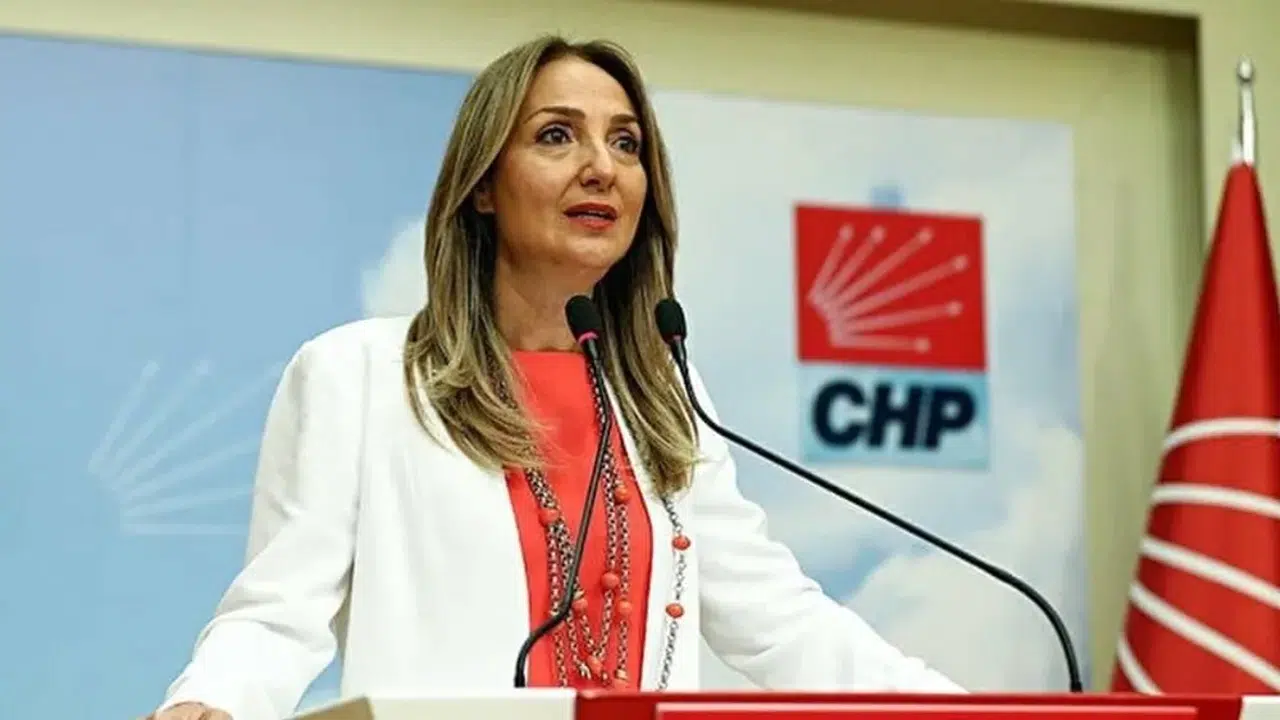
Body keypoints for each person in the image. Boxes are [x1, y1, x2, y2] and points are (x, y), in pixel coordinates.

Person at [148, 35, 962, 720]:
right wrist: (209, 703)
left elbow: (777, 618)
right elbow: (277, 615)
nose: (601, 167)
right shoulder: (358, 376)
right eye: (557, 136)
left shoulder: (662, 395)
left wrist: (957, 709)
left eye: (626, 144)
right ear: (482, 186)